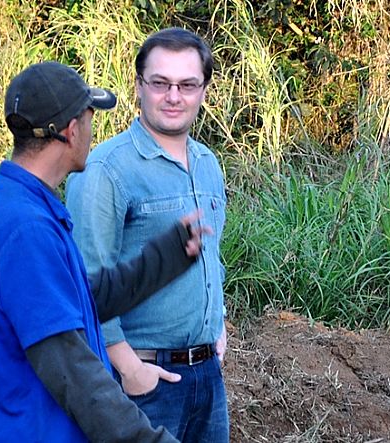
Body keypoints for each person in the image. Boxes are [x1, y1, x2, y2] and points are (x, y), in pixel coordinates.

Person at [0, 61, 209, 442]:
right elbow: (71, 369)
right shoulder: (25, 227)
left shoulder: (25, 205)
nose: (93, 132)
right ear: (72, 130)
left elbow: (81, 300)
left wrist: (169, 255)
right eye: (91, 117)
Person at [65, 28, 229, 442]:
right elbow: (86, 281)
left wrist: (218, 328)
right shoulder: (108, 169)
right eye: (161, 83)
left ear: (204, 91)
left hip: (208, 376)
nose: (174, 96)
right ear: (139, 86)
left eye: (187, 85)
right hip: (142, 383)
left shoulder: (208, 164)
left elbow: (212, 256)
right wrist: (131, 369)